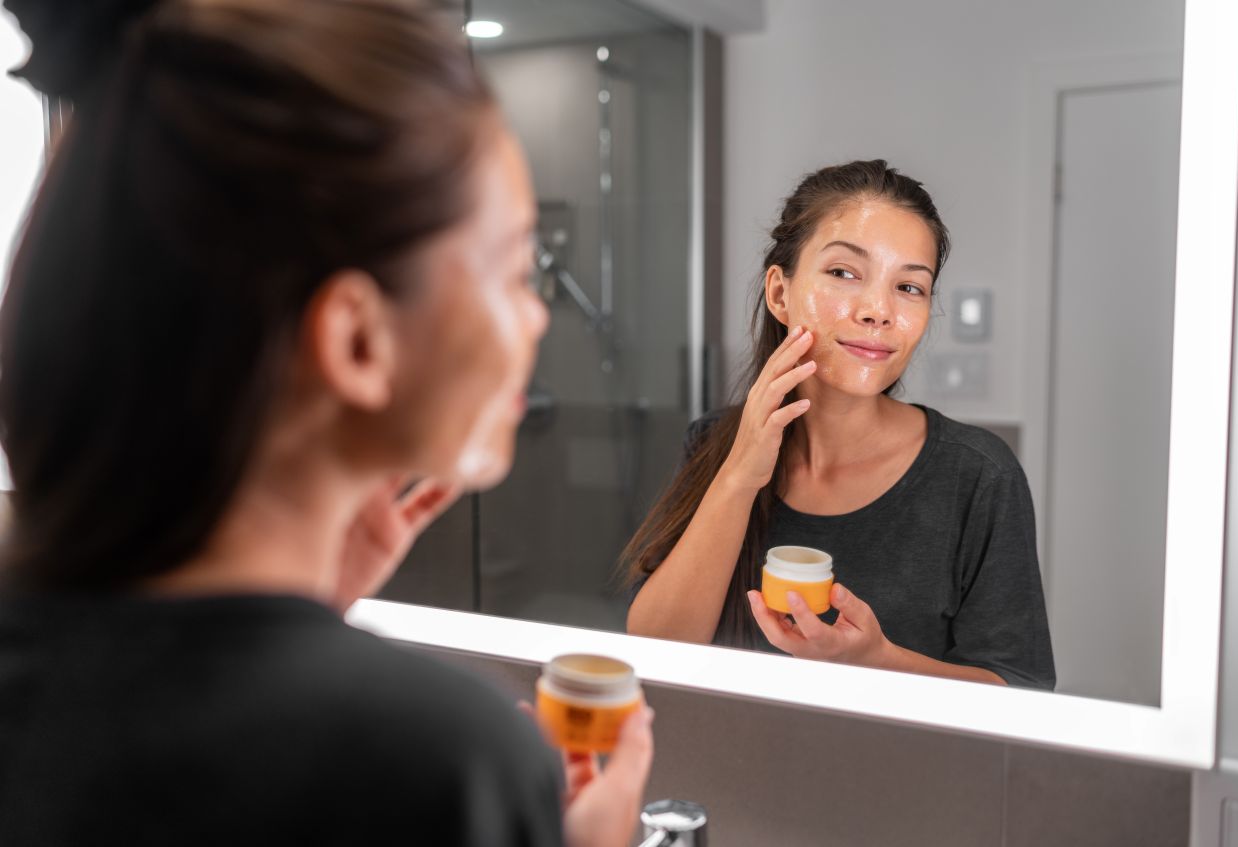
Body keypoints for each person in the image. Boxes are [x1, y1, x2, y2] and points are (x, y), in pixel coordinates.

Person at [0, 0, 652, 844]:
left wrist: (306, 610)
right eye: (514, 270)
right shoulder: (438, 761)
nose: (535, 318)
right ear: (355, 337)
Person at [623, 161, 1055, 690]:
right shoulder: (715, 442)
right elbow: (653, 653)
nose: (878, 310)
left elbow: (1022, 692)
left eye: (910, 288)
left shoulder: (979, 476)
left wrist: (877, 659)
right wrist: (738, 475)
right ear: (779, 293)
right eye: (844, 273)